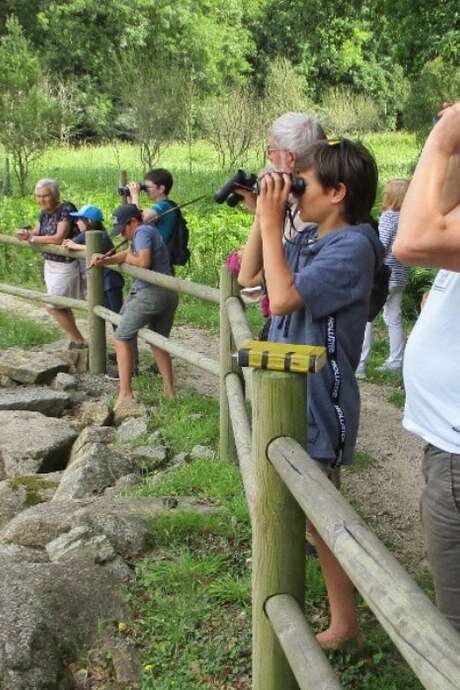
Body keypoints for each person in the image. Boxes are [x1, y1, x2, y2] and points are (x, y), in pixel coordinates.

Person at [240, 139, 382, 649]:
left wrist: (278, 223)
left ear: (338, 192)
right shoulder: (314, 238)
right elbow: (252, 277)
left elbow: (281, 300)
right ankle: (344, 625)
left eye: (304, 184)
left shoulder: (352, 246)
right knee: (315, 521)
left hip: (320, 402)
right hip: (290, 394)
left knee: (324, 520)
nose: (295, 192)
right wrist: (263, 215)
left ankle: (345, 626)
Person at [392, 102, 460, 633]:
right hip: (448, 442)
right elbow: (441, 209)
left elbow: (414, 240)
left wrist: (441, 139)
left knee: (454, 628)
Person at [90, 204, 178, 408]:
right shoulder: (148, 232)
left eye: (123, 228)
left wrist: (129, 258)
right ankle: (169, 391)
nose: (122, 233)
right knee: (159, 341)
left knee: (121, 338)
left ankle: (125, 393)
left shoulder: (142, 231)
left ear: (133, 222)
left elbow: (143, 260)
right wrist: (108, 260)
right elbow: (128, 253)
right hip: (168, 293)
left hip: (150, 294)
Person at [238, 112, 327, 288]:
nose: (268, 157)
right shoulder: (308, 205)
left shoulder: (309, 215)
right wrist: (261, 208)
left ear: (291, 158)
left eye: (271, 150)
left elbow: (249, 278)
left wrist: (264, 212)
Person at [15, 178, 85, 347]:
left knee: (52, 305)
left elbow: (58, 237)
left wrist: (33, 238)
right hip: (50, 263)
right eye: (38, 196)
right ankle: (77, 340)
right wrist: (27, 234)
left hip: (67, 264)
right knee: (60, 305)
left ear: (55, 195)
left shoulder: (66, 209)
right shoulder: (43, 212)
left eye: (45, 196)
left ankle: (78, 340)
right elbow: (37, 232)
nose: (41, 200)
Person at [356, 178, 410, 378]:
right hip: (400, 274)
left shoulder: (388, 218)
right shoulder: (408, 219)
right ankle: (396, 361)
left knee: (365, 317)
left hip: (383, 276)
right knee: (393, 318)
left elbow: (381, 245)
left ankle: (359, 364)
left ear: (391, 196)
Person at [63, 204, 125, 318]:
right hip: (99, 281)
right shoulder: (85, 234)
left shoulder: (102, 235)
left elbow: (95, 248)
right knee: (105, 313)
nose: (77, 222)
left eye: (79, 219)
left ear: (89, 221)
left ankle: (122, 335)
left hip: (110, 281)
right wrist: (70, 244)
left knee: (116, 315)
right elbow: (70, 243)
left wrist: (76, 246)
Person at [127, 167, 179, 251]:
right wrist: (131, 198)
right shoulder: (163, 206)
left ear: (161, 189)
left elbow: (138, 220)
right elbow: (133, 217)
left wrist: (135, 196)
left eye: (148, 187)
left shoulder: (164, 206)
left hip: (158, 259)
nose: (145, 191)